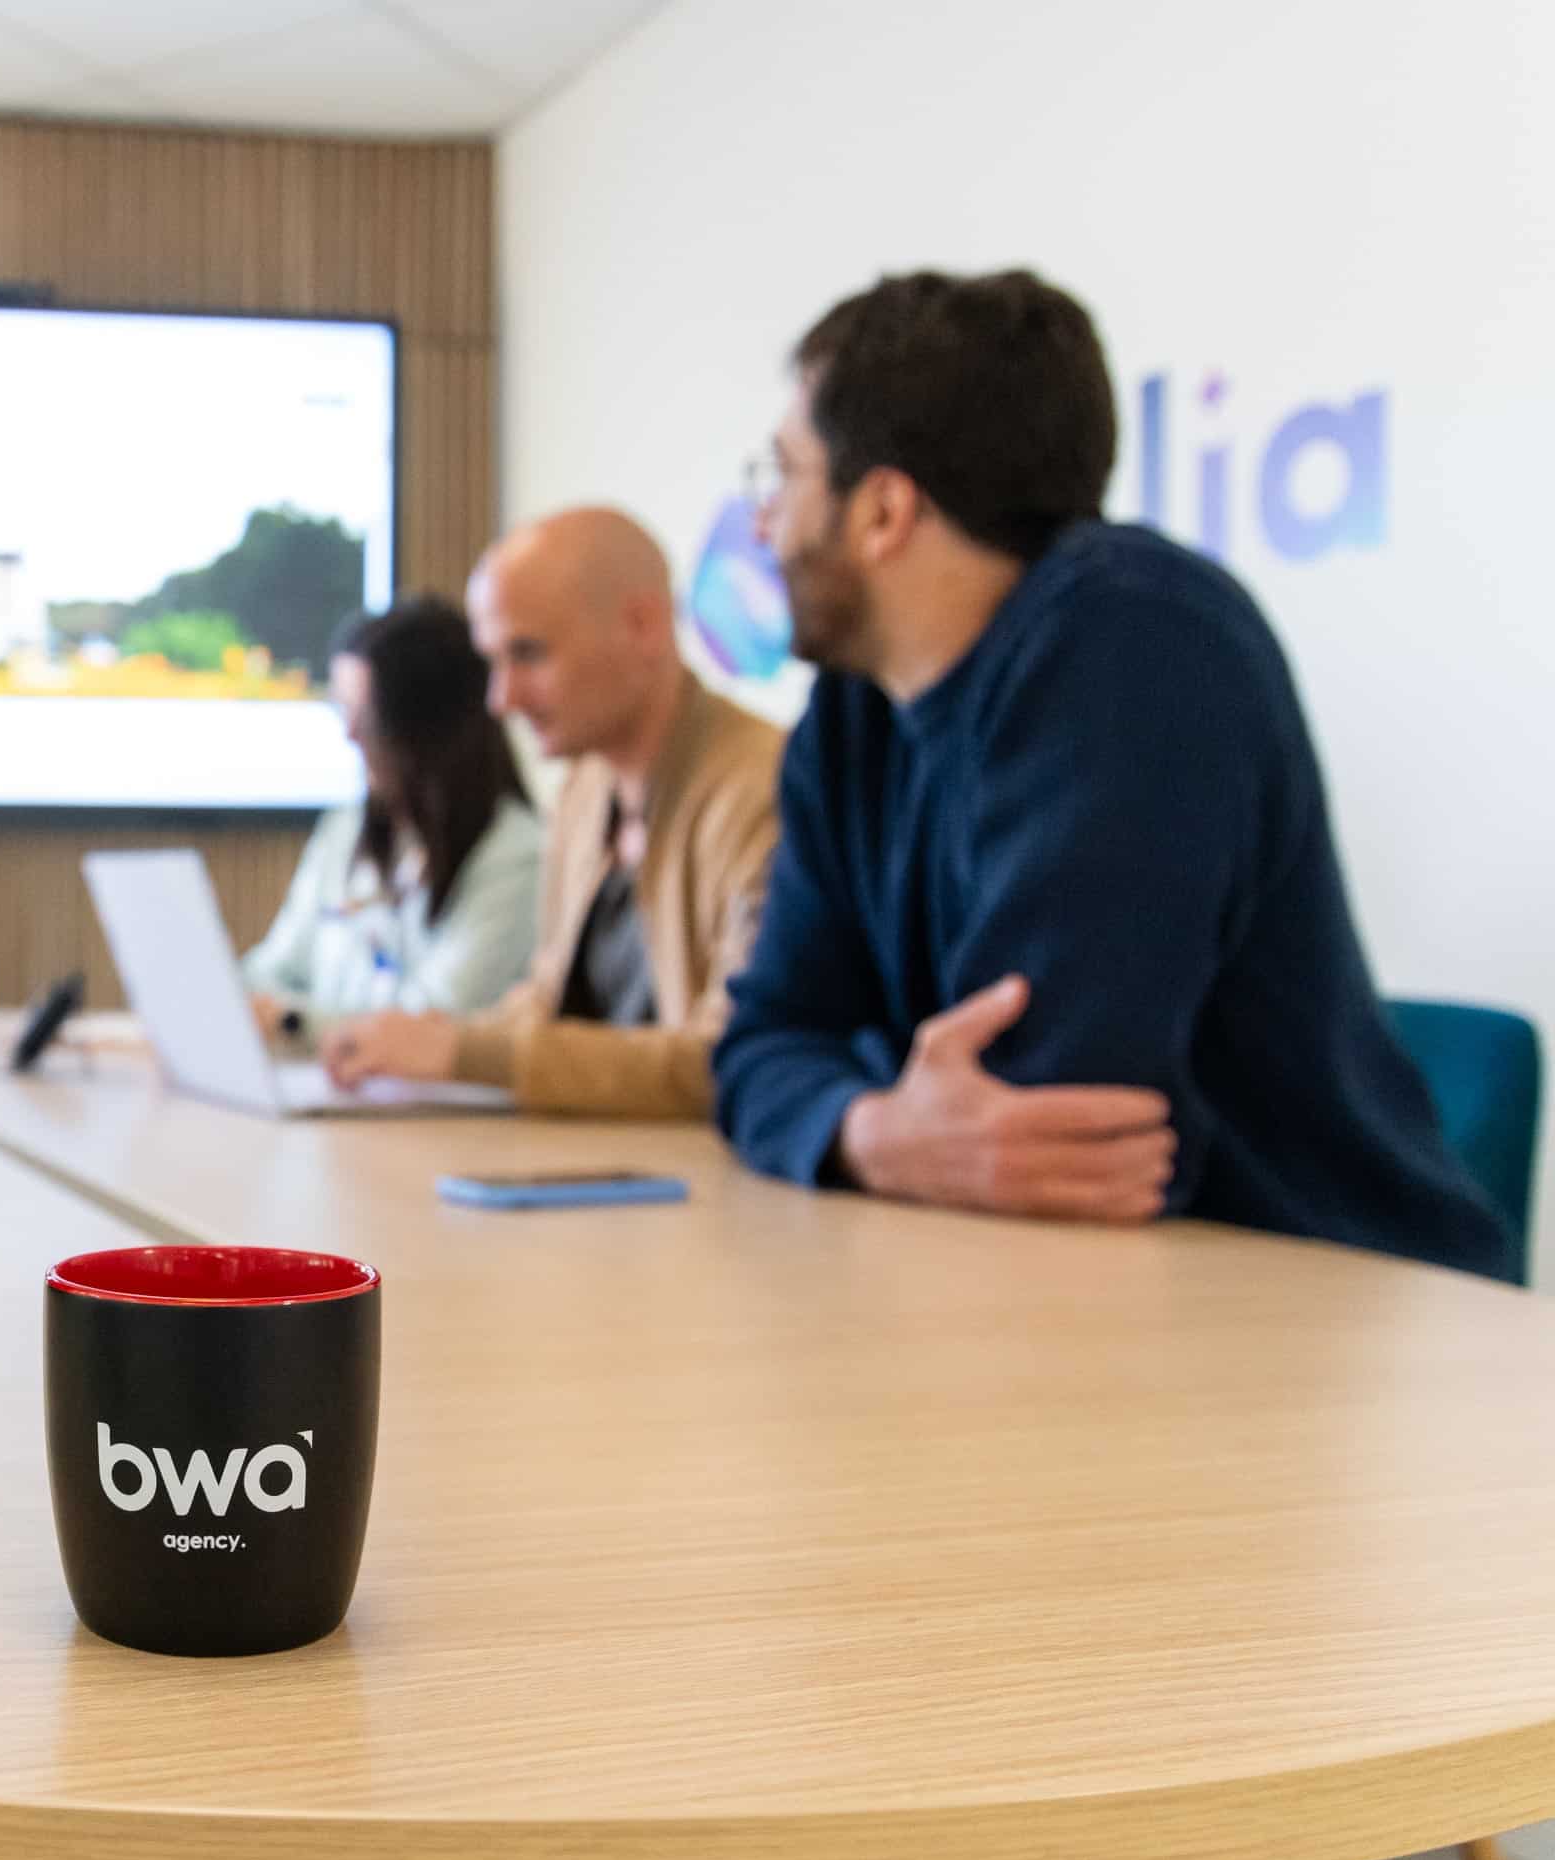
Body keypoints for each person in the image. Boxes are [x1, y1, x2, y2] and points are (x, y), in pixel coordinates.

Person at [713, 267, 1505, 1273]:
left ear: (881, 512)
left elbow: (1041, 1111)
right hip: (1094, 1303)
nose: (761, 523)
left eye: (779, 476)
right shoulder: (849, 714)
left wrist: (847, 1086)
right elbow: (755, 1051)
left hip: (1328, 1313)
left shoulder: (1131, 636)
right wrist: (874, 1126)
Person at [319, 508, 783, 1118]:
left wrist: (464, 1052)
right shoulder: (585, 792)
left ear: (645, 626)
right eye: (493, 662)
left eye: (529, 654)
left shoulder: (765, 790)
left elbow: (728, 1062)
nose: (501, 699)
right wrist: (414, 1042)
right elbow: (546, 999)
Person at [242, 596, 541, 1041]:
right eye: (341, 709)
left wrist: (292, 1021)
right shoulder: (346, 830)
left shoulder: (519, 854)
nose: (349, 734)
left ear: (427, 725)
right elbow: (277, 967)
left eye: (367, 715)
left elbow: (436, 1022)